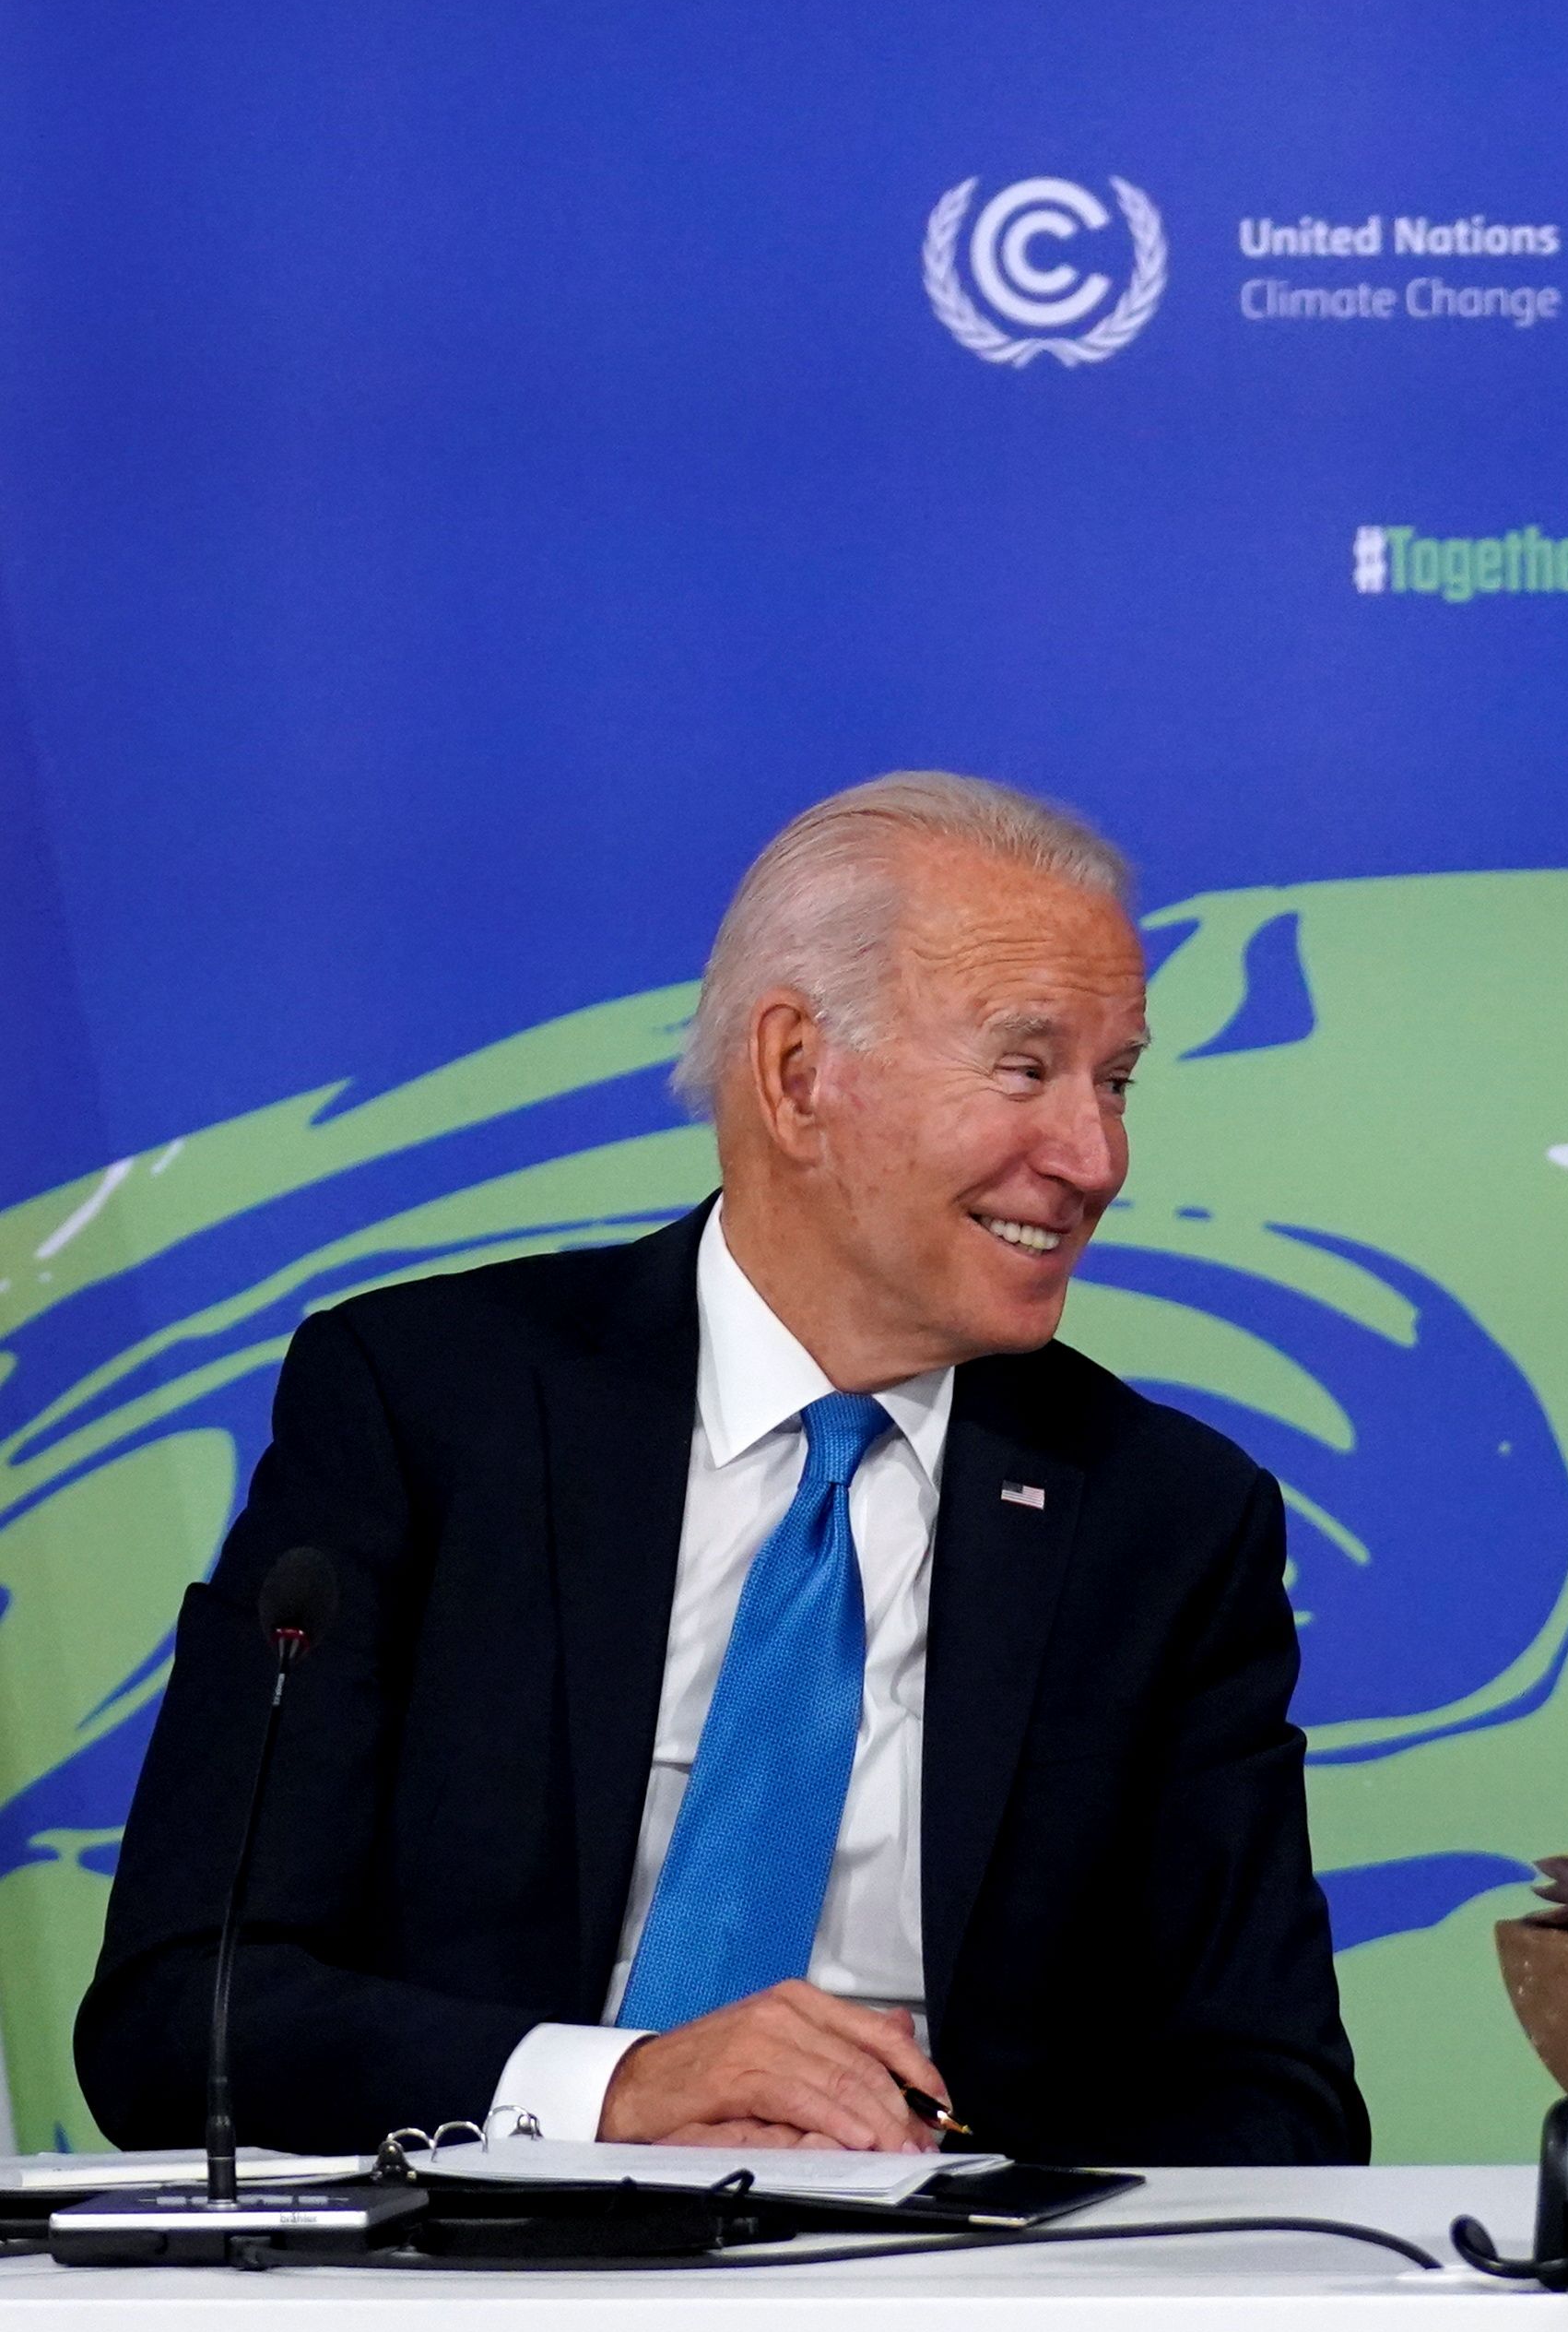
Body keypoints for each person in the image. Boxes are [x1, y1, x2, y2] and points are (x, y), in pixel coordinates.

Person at [80, 772, 1367, 2162]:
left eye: (1115, 1080)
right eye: (1025, 1066)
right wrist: (612, 2090)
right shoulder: (429, 1409)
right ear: (797, 1073)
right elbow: (179, 2012)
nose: (1094, 1153)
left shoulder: (1163, 1522)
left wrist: (976, 2192)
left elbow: (1277, 2097)